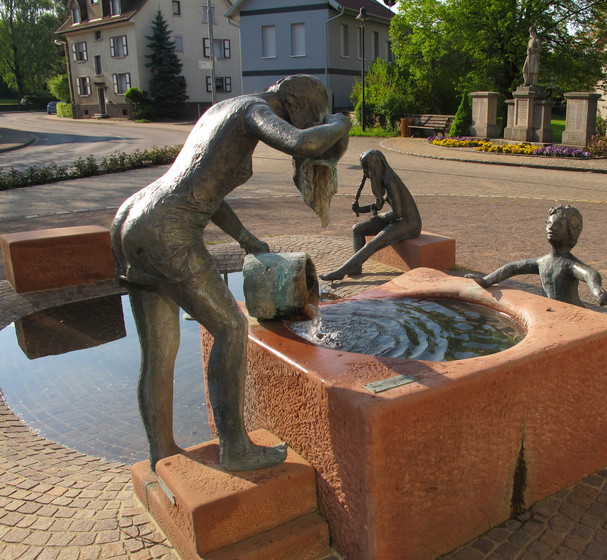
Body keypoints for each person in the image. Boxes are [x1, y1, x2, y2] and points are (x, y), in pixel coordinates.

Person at [111, 75, 351, 471]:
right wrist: (341, 123)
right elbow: (302, 144)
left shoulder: (220, 111)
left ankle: (162, 452)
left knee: (158, 352)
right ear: (299, 108)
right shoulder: (256, 111)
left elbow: (205, 189)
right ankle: (235, 448)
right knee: (231, 329)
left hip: (133, 218)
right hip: (168, 229)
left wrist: (245, 238)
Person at [467, 205, 607, 307]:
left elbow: (589, 273)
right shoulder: (543, 262)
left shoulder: (568, 264)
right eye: (548, 223)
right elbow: (513, 268)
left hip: (572, 314)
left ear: (571, 231)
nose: (551, 228)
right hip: (551, 312)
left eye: (558, 225)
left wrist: (596, 290)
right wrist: (485, 281)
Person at [320, 150, 422, 281]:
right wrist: (360, 209)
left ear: (376, 166)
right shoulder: (382, 180)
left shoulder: (390, 181)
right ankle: (355, 267)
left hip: (409, 223)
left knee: (372, 244)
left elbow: (398, 213)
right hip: (397, 219)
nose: (366, 172)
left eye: (367, 168)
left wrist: (380, 217)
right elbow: (377, 206)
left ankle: (340, 272)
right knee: (358, 229)